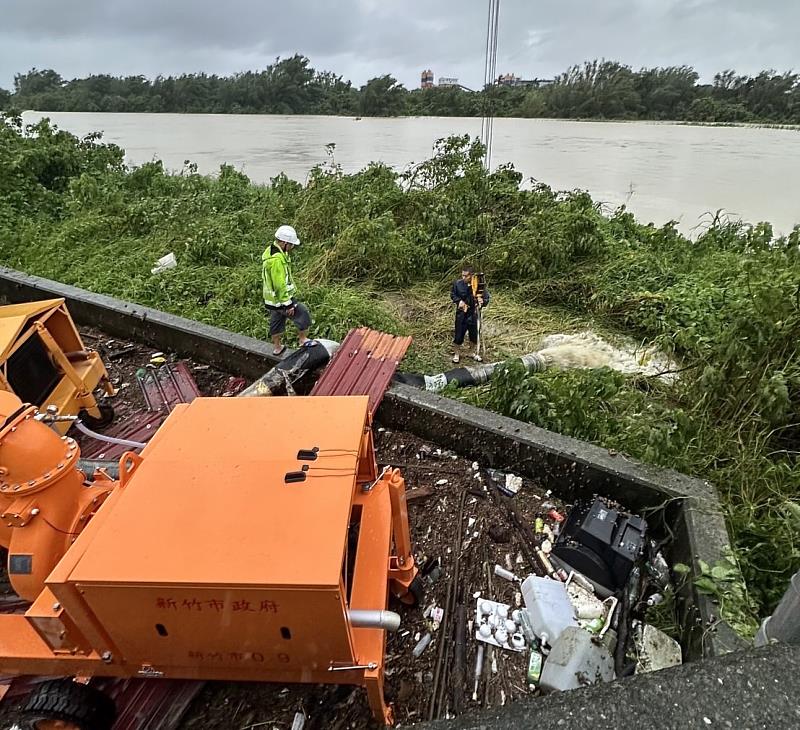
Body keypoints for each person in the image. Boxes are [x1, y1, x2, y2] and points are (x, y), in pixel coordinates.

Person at [262, 224, 312, 356]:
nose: (292, 247)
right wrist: (288, 303)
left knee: (276, 320)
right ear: (284, 243)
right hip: (282, 299)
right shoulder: (277, 260)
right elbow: (280, 284)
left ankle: (277, 348)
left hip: (273, 300)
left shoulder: (271, 252)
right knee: (302, 313)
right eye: (291, 244)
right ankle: (302, 340)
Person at [450, 264, 489, 363]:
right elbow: (453, 294)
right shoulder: (457, 284)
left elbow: (486, 297)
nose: (463, 278)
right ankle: (457, 353)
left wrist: (482, 302)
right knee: (459, 334)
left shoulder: (479, 285)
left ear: (471, 275)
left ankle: (471, 352)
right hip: (462, 313)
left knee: (474, 334)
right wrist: (459, 301)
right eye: (462, 275)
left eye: (465, 276)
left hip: (474, 313)